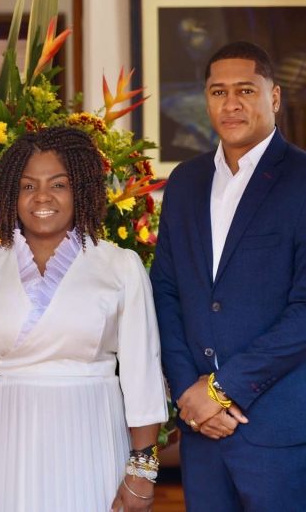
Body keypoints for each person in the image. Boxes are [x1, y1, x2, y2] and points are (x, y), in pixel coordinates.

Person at [0, 127, 169, 512]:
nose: (42, 197)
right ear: (11, 193)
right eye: (27, 186)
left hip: (91, 431)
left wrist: (142, 468)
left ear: (82, 190)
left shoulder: (119, 266)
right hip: (0, 437)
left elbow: (141, 374)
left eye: (58, 184)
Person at [151, 41, 306, 511]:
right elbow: (167, 291)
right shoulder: (185, 181)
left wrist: (221, 389)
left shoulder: (302, 179)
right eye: (218, 92)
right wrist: (188, 395)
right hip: (202, 435)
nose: (231, 103)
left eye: (245, 90)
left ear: (274, 97)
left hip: (278, 432)